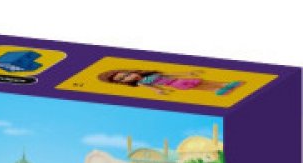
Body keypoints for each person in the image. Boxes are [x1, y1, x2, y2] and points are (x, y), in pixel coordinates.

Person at [97, 68, 242, 96]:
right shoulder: (142, 83)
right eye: (124, 79)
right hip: (174, 84)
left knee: (200, 81)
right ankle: (216, 90)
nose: (129, 77)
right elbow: (153, 88)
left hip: (177, 79)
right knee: (198, 87)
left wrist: (187, 73)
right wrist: (158, 90)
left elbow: (171, 74)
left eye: (127, 74)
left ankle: (224, 84)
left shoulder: (151, 74)